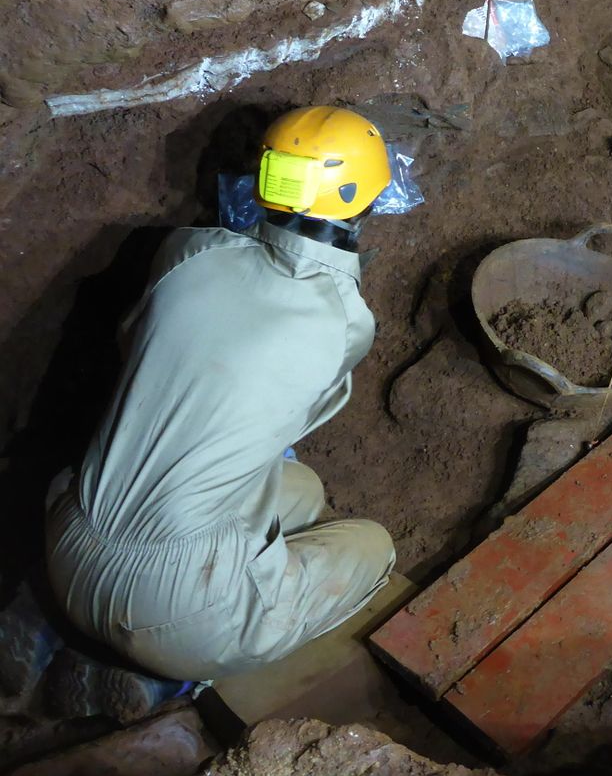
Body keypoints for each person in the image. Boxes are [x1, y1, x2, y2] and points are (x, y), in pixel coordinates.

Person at [42, 105, 399, 711]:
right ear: (362, 199)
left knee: (303, 491)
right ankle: (166, 675)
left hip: (70, 541)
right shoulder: (345, 317)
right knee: (372, 546)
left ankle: (64, 632)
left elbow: (136, 346)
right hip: (175, 606)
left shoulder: (188, 253)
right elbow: (302, 414)